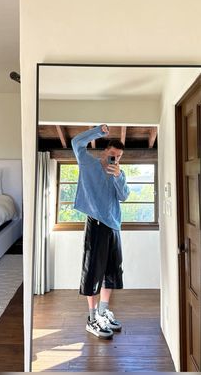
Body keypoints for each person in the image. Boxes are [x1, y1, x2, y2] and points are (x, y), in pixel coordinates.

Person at [71, 124, 130, 339]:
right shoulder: (88, 163)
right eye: (114, 154)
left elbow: (124, 196)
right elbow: (76, 143)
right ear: (105, 151)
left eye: (120, 156)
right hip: (96, 224)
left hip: (114, 226)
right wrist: (98, 131)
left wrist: (118, 176)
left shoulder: (117, 173)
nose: (116, 159)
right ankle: (92, 318)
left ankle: (104, 312)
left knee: (112, 272)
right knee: (93, 271)